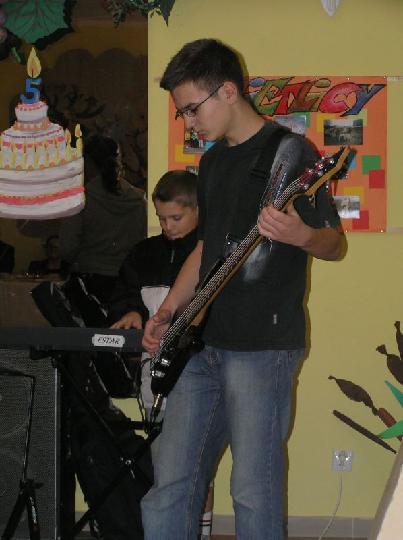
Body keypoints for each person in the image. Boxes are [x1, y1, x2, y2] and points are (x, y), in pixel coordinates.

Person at [140, 39, 344, 540]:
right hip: (199, 343)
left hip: (262, 348)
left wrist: (299, 234)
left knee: (253, 490)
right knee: (170, 485)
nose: (188, 122)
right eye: (182, 112)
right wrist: (168, 311)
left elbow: (334, 244)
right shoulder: (212, 163)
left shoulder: (291, 153)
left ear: (228, 91)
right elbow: (206, 247)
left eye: (192, 108)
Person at [108, 169, 214, 539]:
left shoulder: (209, 252)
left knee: (194, 464)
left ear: (199, 210)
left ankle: (199, 531)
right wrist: (131, 312)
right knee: (162, 462)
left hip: (196, 368)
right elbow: (124, 293)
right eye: (161, 218)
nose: (168, 226)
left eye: (176, 218)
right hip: (152, 370)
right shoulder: (144, 253)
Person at [59, 134, 147, 304]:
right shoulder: (138, 199)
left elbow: (67, 247)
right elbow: (141, 242)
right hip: (127, 281)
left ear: (88, 162)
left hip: (89, 282)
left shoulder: (80, 199)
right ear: (119, 159)